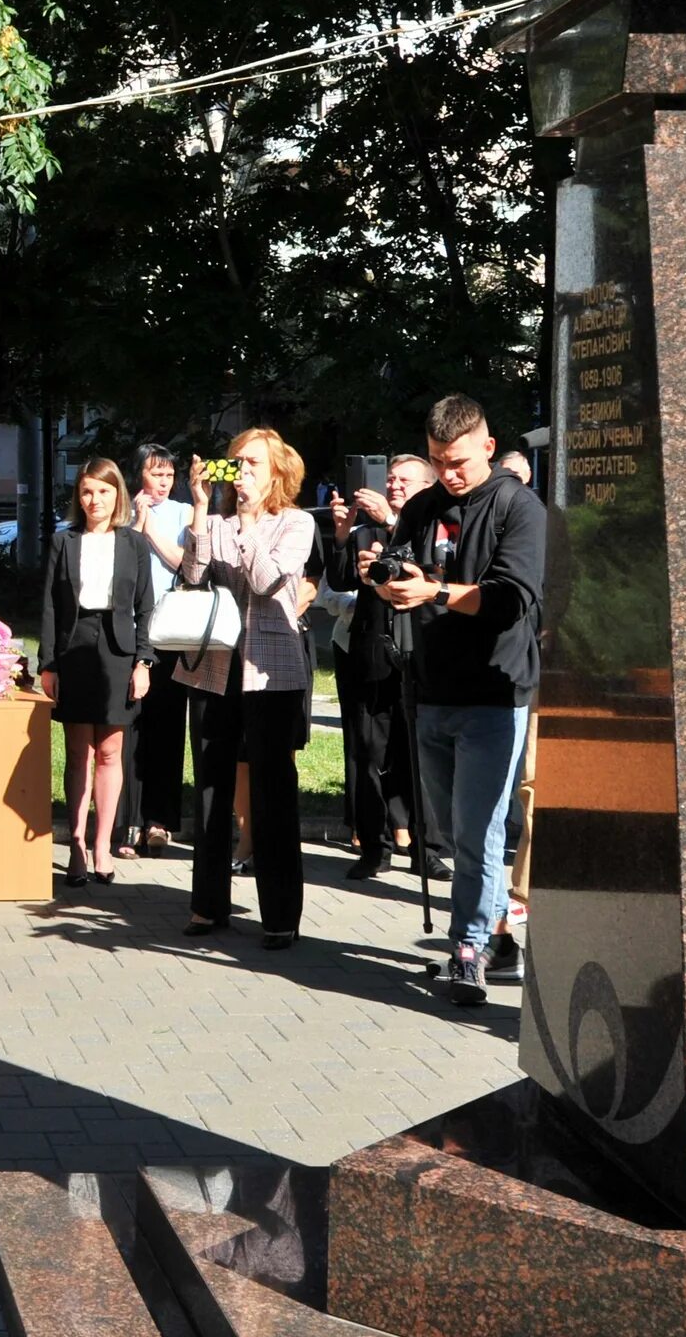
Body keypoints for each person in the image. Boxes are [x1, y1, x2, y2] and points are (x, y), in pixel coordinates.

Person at [376, 394, 547, 1006]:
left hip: (495, 695)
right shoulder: (423, 506)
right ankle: (500, 939)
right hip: (429, 689)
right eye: (438, 461)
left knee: (477, 831)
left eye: (458, 462)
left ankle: (467, 951)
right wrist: (386, 576)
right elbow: (401, 563)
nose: (449, 474)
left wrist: (434, 593)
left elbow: (508, 600)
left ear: (488, 448)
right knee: (451, 831)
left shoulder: (518, 508)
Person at [179, 428, 316, 950]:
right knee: (211, 788)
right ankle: (206, 904)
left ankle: (280, 915)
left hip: (272, 671)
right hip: (216, 666)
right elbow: (192, 576)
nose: (243, 473)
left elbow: (264, 580)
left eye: (254, 464)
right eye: (236, 463)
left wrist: (253, 519)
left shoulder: (296, 523)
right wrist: (198, 510)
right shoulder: (215, 521)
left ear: (278, 470)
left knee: (272, 791)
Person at [39, 459, 156, 888]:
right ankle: (75, 845)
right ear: (79, 497)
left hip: (119, 650)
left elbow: (146, 608)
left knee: (110, 751)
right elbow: (50, 606)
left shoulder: (133, 544)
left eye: (104, 491)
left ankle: (103, 844)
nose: (95, 500)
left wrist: (143, 662)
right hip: (73, 649)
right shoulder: (63, 541)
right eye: (87, 492)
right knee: (78, 753)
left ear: (118, 495)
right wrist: (47, 663)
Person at [330, 455, 434, 880]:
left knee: (420, 756)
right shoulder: (365, 530)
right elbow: (339, 582)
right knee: (368, 752)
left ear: (425, 487)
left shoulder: (432, 526)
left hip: (420, 655)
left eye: (404, 480)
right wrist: (341, 536)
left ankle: (428, 849)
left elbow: (432, 570)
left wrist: (393, 522)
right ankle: (374, 847)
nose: (393, 485)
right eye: (389, 478)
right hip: (372, 653)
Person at [122, 446, 196, 853]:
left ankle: (160, 821)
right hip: (128, 630)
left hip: (168, 632)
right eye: (156, 474)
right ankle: (128, 820)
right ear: (139, 476)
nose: (164, 482)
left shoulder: (184, 513)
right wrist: (136, 520)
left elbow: (185, 564)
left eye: (169, 474)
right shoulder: (122, 511)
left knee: (167, 728)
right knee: (130, 730)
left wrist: (150, 527)